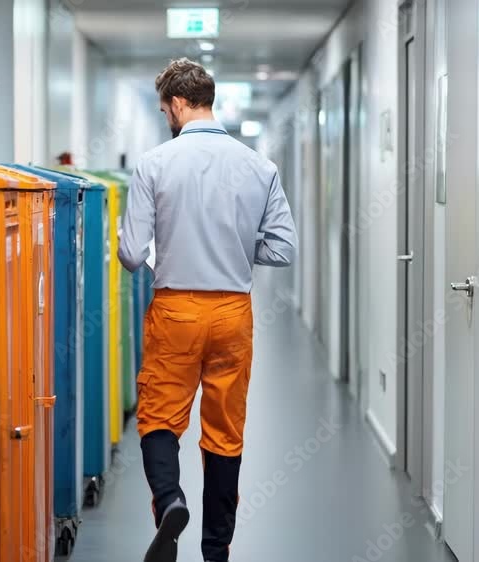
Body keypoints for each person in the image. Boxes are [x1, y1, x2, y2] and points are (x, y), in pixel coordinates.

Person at [118, 58, 298, 562]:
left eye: (163, 109)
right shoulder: (259, 166)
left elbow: (133, 255)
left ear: (177, 104)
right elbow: (283, 249)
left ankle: (171, 501)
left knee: (159, 417)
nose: (165, 118)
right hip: (233, 314)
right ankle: (216, 551)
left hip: (176, 309)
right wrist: (239, 247)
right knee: (224, 432)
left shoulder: (154, 163)